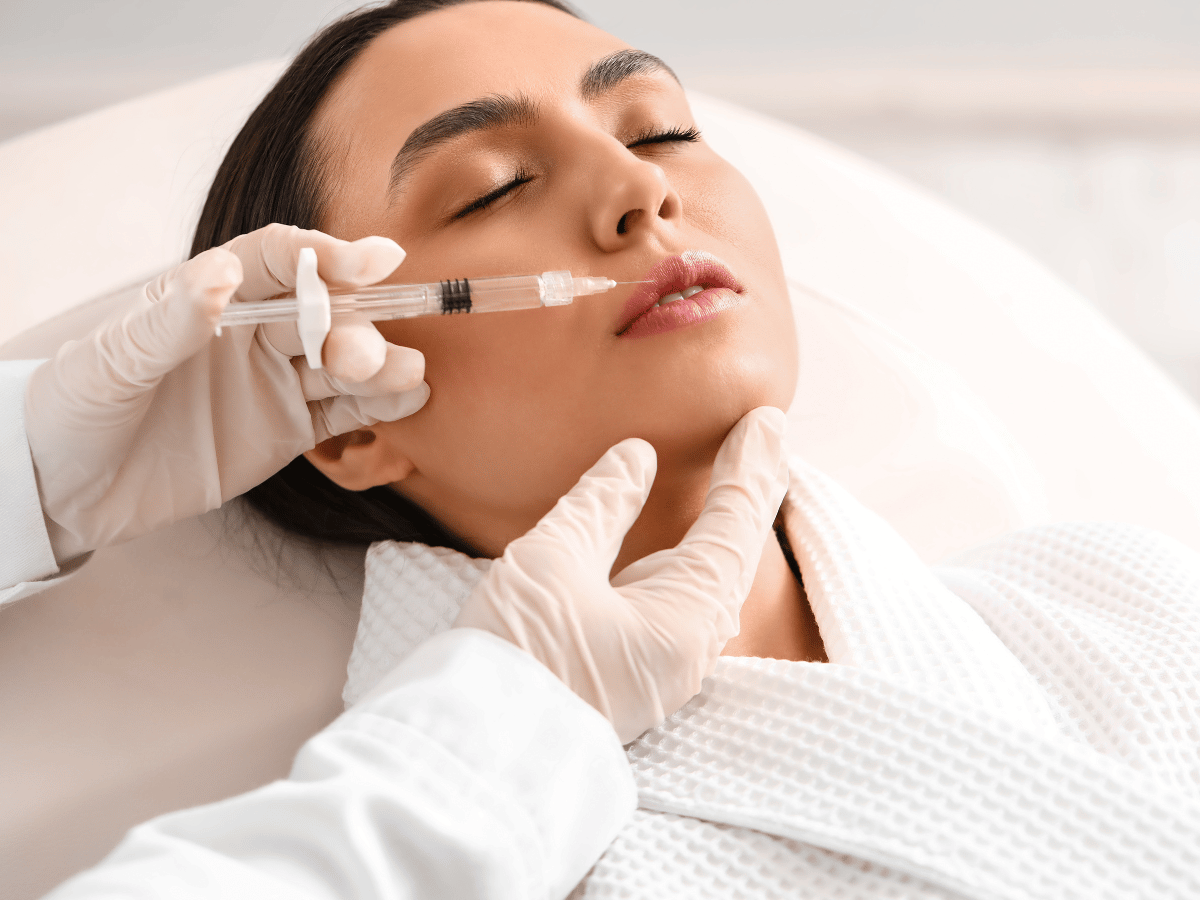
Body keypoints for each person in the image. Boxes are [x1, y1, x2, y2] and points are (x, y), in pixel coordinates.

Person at [14, 1, 1200, 898]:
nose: (637, 185)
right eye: (493, 188)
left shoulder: (1127, 602)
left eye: (664, 126)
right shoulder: (498, 851)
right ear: (351, 414)